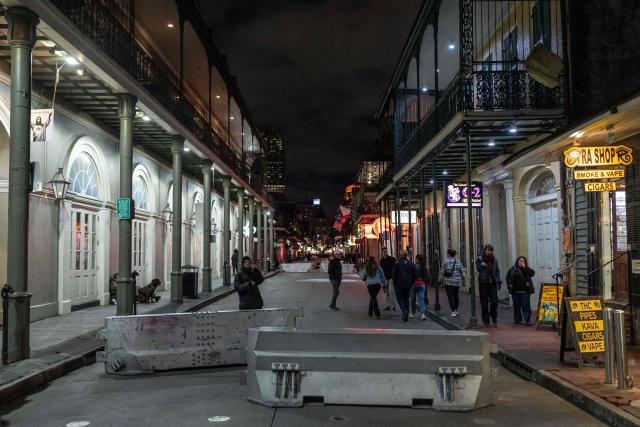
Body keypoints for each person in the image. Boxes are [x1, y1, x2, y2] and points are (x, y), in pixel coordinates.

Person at [476, 244, 502, 327]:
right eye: (488, 250)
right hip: (483, 283)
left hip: (492, 283)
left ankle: (493, 315)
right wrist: (482, 266)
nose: (489, 252)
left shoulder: (495, 260)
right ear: (484, 251)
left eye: (490, 250)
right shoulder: (480, 259)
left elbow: (497, 271)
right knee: (484, 303)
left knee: (494, 301)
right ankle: (486, 321)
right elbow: (478, 269)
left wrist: (499, 280)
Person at [506, 256, 536, 326]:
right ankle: (517, 319)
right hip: (515, 291)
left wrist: (525, 267)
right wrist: (509, 285)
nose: (522, 262)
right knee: (516, 306)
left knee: (526, 306)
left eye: (523, 261)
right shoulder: (513, 269)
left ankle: (527, 320)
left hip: (525, 291)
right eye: (520, 261)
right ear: (517, 261)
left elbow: (532, 273)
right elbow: (508, 277)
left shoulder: (526, 269)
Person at [439, 248, 465, 317]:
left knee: (450, 297)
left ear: (449, 254)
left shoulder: (446, 262)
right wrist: (464, 281)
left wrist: (440, 280)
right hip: (457, 282)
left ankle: (453, 311)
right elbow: (462, 272)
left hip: (448, 282)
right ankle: (456, 310)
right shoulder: (458, 262)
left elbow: (442, 272)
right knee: (456, 296)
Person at [392, 250, 415, 322]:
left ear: (401, 255)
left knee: (399, 298)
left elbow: (394, 275)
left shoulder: (397, 263)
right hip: (408, 284)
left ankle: (404, 311)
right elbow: (414, 274)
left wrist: (395, 283)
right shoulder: (411, 263)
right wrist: (411, 283)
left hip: (399, 284)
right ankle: (406, 315)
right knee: (406, 299)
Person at [409, 254, 430, 320]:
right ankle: (422, 314)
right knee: (421, 299)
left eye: (416, 258)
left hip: (414, 284)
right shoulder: (424, 267)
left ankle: (412, 313)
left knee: (413, 299)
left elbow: (411, 275)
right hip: (422, 284)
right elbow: (427, 276)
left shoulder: (414, 266)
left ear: (417, 259)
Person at [379, 247, 397, 311]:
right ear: (382, 252)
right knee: (387, 292)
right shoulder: (381, 261)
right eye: (384, 251)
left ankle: (394, 305)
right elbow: (381, 271)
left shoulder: (392, 259)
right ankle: (388, 305)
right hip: (385, 279)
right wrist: (382, 280)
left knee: (391, 291)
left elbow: (396, 267)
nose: (385, 253)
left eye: (386, 251)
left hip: (391, 278)